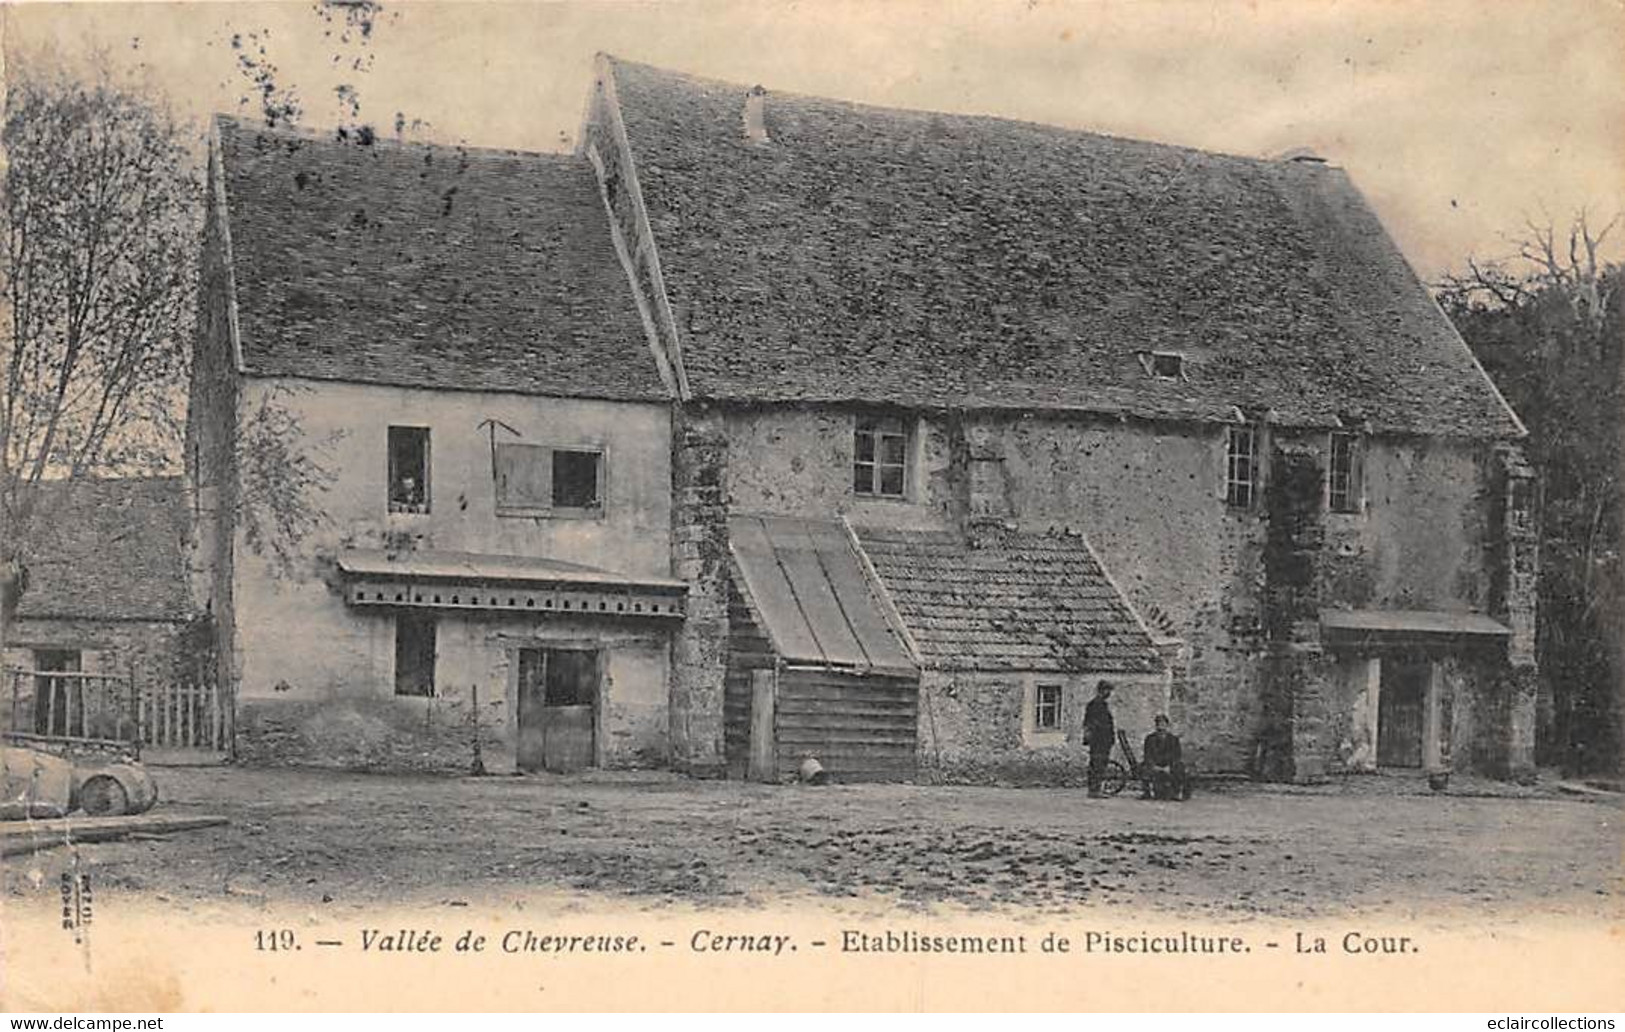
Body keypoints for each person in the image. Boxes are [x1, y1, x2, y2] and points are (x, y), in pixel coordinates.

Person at [1141, 714, 1190, 801]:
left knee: (1181, 768)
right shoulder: (1150, 739)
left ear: (1167, 725)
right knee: (1144, 768)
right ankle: (1148, 792)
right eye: (1159, 724)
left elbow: (1176, 755)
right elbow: (1147, 754)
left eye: (1163, 724)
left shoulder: (1173, 739)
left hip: (1169, 764)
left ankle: (1176, 792)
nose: (1161, 727)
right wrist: (1154, 766)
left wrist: (1169, 767)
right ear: (1156, 726)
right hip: (1155, 765)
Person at [1083, 681, 1115, 797]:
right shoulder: (1096, 704)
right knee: (1097, 764)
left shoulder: (1101, 704)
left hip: (1103, 740)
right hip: (1099, 740)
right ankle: (1094, 790)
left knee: (1100, 764)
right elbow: (1091, 723)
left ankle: (1096, 788)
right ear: (1102, 690)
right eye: (1108, 690)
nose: (1109, 693)